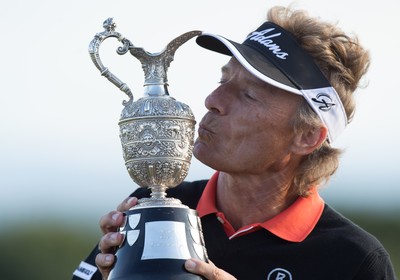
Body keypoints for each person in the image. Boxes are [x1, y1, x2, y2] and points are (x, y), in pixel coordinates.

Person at [73, 5, 397, 280]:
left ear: (307, 136)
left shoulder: (355, 260)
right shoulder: (154, 203)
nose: (213, 100)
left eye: (249, 95)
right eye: (223, 79)